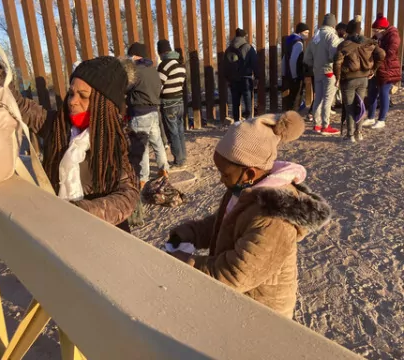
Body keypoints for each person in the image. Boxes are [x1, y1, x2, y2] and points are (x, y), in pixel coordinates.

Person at [0, 32, 139, 233]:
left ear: (105, 104)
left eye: (83, 96)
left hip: (107, 238)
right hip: (62, 231)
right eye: (71, 93)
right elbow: (17, 105)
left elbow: (127, 197)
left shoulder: (120, 140)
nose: (72, 101)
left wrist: (79, 211)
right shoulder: (57, 126)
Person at [166, 112, 331, 318]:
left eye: (225, 174)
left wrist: (188, 262)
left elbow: (236, 273)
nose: (221, 180)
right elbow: (223, 223)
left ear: (250, 173)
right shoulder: (243, 190)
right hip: (239, 302)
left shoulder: (274, 219)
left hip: (262, 312)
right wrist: (191, 233)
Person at [334, 17, 385, 142]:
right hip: (364, 78)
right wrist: (373, 70)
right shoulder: (369, 42)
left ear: (348, 30)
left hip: (348, 79)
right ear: (360, 30)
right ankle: (359, 133)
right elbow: (382, 54)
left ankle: (350, 135)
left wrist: (337, 78)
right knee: (360, 105)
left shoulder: (343, 44)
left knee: (350, 107)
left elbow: (337, 62)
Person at [126, 42, 170, 189]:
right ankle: (164, 169)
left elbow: (127, 89)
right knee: (157, 142)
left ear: (135, 55)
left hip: (139, 113)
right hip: (153, 111)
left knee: (142, 147)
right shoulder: (153, 71)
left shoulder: (135, 72)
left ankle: (143, 178)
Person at [304, 13, 341, 135]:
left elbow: (307, 58)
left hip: (317, 71)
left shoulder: (315, 37)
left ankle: (317, 125)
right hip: (329, 72)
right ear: (333, 24)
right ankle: (326, 126)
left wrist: (316, 64)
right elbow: (333, 55)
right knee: (328, 100)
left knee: (318, 99)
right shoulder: (332, 36)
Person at [363, 14, 401, 129]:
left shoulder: (393, 36)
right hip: (376, 69)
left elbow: (389, 53)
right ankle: (370, 117)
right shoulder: (377, 37)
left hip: (388, 69)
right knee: (371, 93)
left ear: (383, 29)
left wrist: (377, 48)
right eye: (373, 30)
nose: (374, 32)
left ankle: (382, 119)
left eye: (376, 30)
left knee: (384, 94)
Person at [157, 39, 188, 169]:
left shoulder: (164, 65)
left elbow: (158, 85)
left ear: (161, 52)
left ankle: (178, 160)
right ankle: (183, 156)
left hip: (168, 103)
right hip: (180, 101)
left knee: (172, 132)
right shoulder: (180, 65)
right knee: (180, 130)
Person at [223, 28, 258, 122]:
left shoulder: (229, 49)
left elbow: (225, 65)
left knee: (235, 102)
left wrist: (227, 78)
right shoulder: (248, 47)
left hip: (233, 79)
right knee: (248, 102)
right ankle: (248, 121)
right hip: (246, 78)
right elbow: (254, 62)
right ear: (244, 36)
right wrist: (257, 77)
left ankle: (236, 122)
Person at [282, 22, 310, 111]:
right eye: (306, 32)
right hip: (296, 74)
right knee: (297, 97)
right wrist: (295, 75)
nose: (307, 35)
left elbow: (284, 58)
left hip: (288, 73)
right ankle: (294, 116)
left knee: (291, 97)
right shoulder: (298, 43)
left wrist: (284, 72)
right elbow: (293, 60)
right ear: (300, 32)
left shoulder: (289, 41)